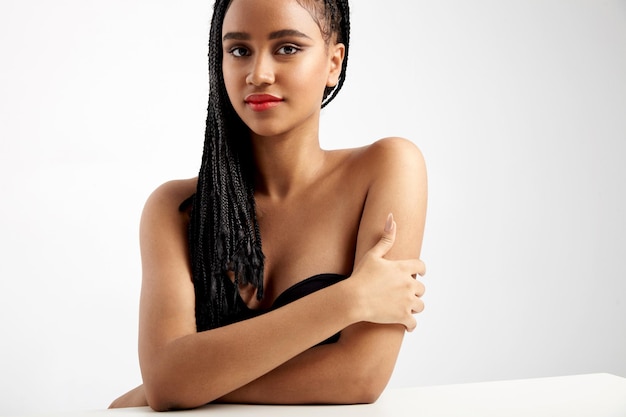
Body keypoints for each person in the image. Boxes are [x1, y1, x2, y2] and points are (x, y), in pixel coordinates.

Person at [109, 0, 427, 411]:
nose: (258, 74)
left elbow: (361, 378)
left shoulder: (387, 167)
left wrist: (184, 384)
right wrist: (349, 300)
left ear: (334, 62)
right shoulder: (175, 210)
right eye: (239, 50)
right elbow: (167, 381)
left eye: (287, 48)